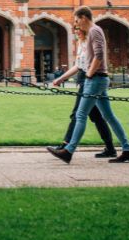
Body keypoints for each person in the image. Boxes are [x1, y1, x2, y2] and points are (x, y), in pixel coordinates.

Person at [47, 7, 129, 164]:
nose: (76, 25)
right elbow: (81, 64)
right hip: (98, 79)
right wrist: (60, 79)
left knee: (80, 115)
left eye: (76, 21)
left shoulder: (95, 30)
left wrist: (89, 74)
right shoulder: (91, 34)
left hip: (95, 79)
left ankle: (68, 151)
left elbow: (100, 55)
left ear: (83, 18)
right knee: (109, 116)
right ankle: (127, 150)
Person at [51, 26, 117, 158]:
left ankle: (65, 146)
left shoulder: (89, 43)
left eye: (78, 29)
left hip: (89, 81)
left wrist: (89, 77)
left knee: (77, 113)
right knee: (97, 117)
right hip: (85, 79)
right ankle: (110, 148)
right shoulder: (80, 44)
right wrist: (61, 78)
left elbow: (96, 59)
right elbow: (78, 66)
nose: (76, 31)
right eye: (75, 29)